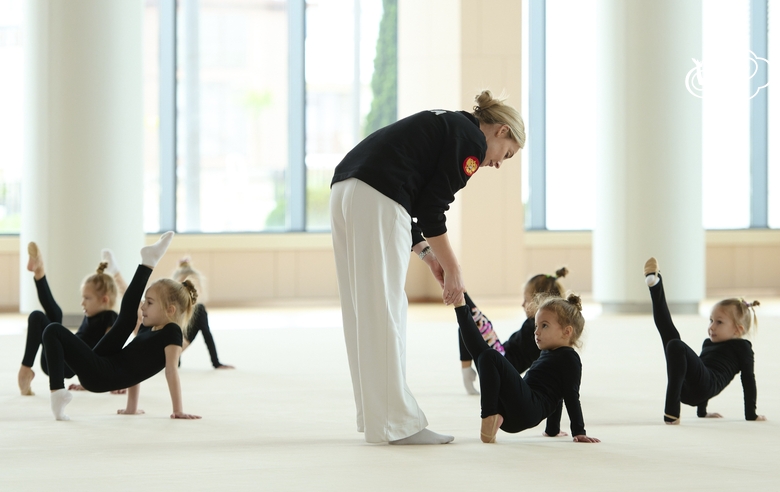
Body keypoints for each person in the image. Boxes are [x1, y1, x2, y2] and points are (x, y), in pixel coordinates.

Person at [330, 90, 525, 445]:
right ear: (501, 131)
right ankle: (396, 425)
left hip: (346, 187)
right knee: (386, 310)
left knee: (363, 310)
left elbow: (417, 200)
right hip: (377, 194)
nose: (497, 163)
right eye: (506, 155)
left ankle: (377, 419)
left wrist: (428, 255)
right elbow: (433, 211)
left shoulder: (451, 123)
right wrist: (454, 270)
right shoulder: (471, 142)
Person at [42, 232, 201, 421]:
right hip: (104, 365)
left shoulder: (172, 333)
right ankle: (147, 261)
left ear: (170, 310)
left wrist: (178, 410)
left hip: (102, 376)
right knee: (125, 322)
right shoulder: (148, 329)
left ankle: (57, 393)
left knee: (53, 330)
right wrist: (131, 408)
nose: (143, 306)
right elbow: (136, 369)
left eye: (149, 303)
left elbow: (171, 371)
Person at [456, 293, 599, 444]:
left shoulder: (570, 358)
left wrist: (579, 431)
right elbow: (556, 392)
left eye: (544, 325)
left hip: (529, 409)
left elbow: (570, 394)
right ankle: (459, 306)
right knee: (482, 353)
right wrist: (552, 429)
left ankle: (489, 414)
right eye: (536, 326)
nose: (536, 331)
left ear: (567, 331)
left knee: (490, 355)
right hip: (513, 410)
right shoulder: (548, 353)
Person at [643, 257, 766, 424]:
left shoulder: (742, 347)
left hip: (706, 386)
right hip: (685, 388)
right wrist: (703, 411)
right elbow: (698, 371)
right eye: (711, 320)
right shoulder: (708, 343)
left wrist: (751, 415)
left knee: (675, 344)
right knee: (670, 337)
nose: (712, 327)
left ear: (738, 329)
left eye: (719, 322)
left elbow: (748, 379)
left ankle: (671, 413)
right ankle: (655, 284)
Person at [17, 242, 118, 396]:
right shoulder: (90, 315)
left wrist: (105, 382)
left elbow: (111, 353)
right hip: (57, 357)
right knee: (48, 315)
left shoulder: (110, 317)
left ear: (104, 300)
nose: (82, 302)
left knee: (47, 317)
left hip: (66, 364)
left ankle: (40, 272)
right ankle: (39, 271)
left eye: (87, 298)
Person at [104, 252, 234, 369]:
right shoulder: (167, 306)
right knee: (135, 311)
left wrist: (216, 363)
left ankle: (117, 274)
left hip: (166, 351)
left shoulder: (199, 310)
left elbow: (207, 335)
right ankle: (116, 274)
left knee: (136, 311)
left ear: (197, 289)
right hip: (154, 344)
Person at [459, 268, 569, 395]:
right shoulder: (542, 326)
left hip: (500, 365)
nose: (522, 304)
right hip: (500, 358)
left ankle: (461, 289)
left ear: (540, 303)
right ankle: (460, 289)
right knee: (470, 323)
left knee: (473, 322)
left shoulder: (539, 328)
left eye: (526, 300)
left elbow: (552, 360)